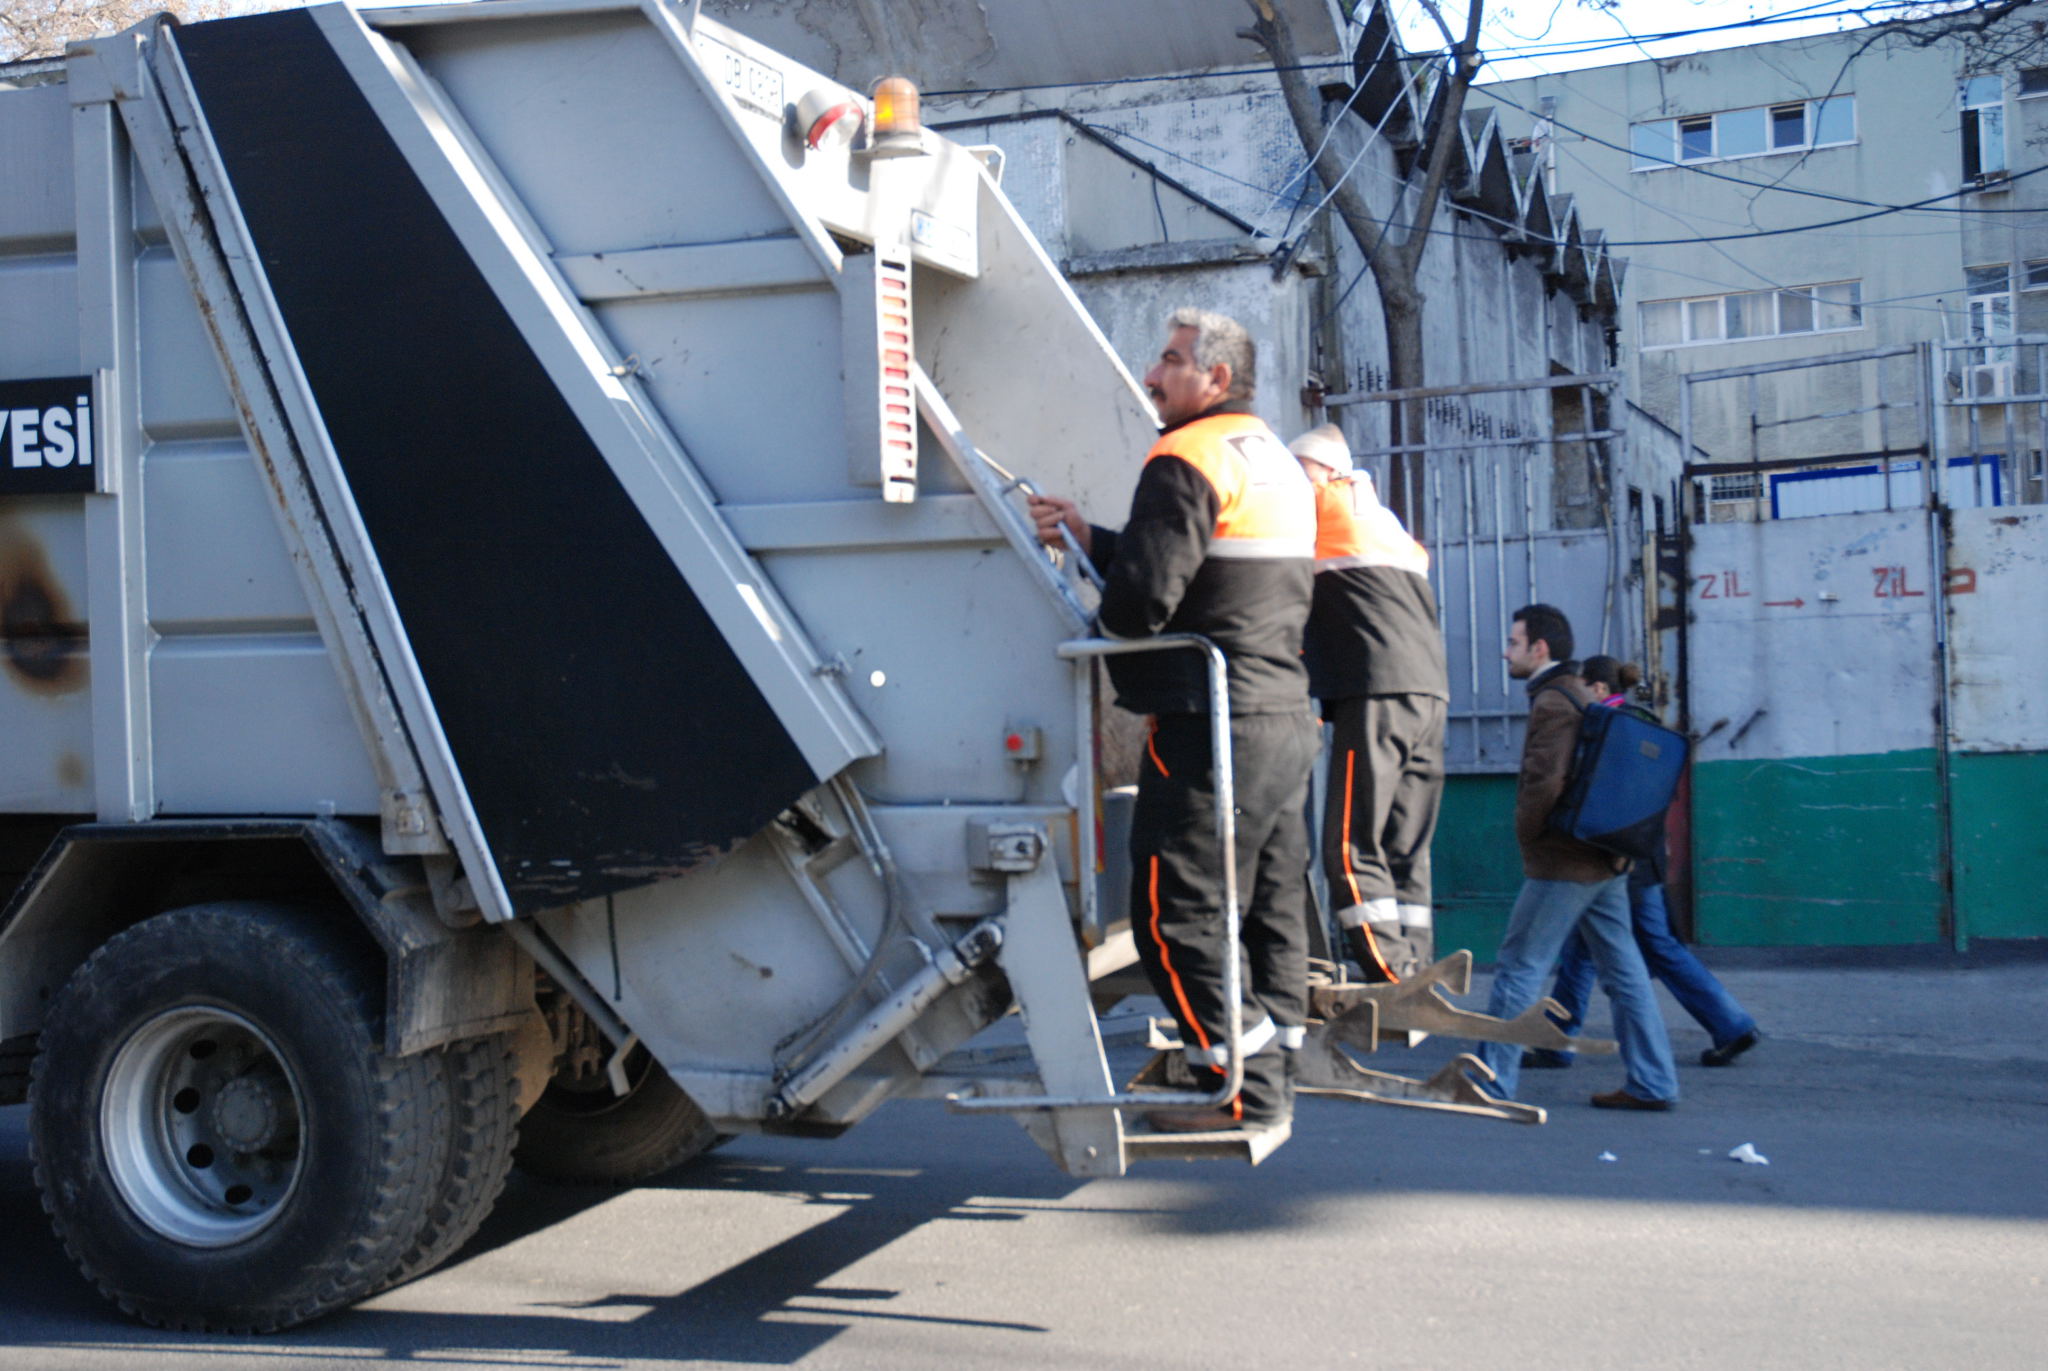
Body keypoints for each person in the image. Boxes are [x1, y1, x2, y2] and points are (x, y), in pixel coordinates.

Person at [1028, 309, 1317, 1134]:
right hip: (1278, 715)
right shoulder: (1270, 459)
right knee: (1265, 906)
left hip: (1207, 722)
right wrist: (1094, 535)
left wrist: (1090, 601)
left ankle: (1240, 1088)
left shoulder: (1183, 455)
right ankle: (1275, 1068)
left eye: (1169, 361)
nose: (1152, 377)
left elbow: (1142, 602)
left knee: (1173, 911)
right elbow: (1209, 572)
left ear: (1215, 380)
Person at [1475, 606, 1679, 1111]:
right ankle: (1654, 1083)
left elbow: (1544, 782)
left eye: (1513, 641)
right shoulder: (1579, 694)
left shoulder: (1552, 700)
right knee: (1625, 973)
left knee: (1519, 965)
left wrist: (1527, 835)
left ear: (1539, 648)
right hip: (1604, 859)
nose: (1506, 651)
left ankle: (1489, 1082)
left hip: (1565, 862)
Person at [1525, 656, 1763, 1070]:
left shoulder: (1607, 726)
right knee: (1591, 949)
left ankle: (1730, 1023)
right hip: (1643, 854)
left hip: (1614, 858)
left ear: (1599, 688)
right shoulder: (1644, 720)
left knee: (1641, 947)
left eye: (1586, 687)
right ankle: (1555, 1041)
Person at [1288, 425, 1448, 984]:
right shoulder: (1391, 527)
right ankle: (1417, 965)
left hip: (1376, 691)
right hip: (1430, 695)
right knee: (1406, 843)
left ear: (1327, 473)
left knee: (1351, 843)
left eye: (1299, 473)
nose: (1292, 485)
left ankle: (1389, 972)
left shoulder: (1318, 508)